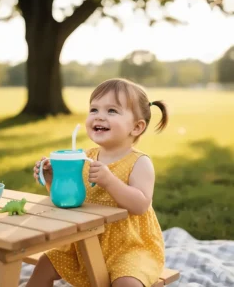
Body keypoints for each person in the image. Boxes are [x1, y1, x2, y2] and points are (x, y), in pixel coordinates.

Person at [27, 78, 169, 287]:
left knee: (127, 283)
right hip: (85, 243)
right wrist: (51, 180)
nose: (99, 116)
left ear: (137, 127)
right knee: (45, 263)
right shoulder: (85, 157)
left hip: (129, 247)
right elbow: (71, 197)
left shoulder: (139, 162)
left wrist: (110, 182)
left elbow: (141, 205)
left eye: (112, 111)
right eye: (94, 109)